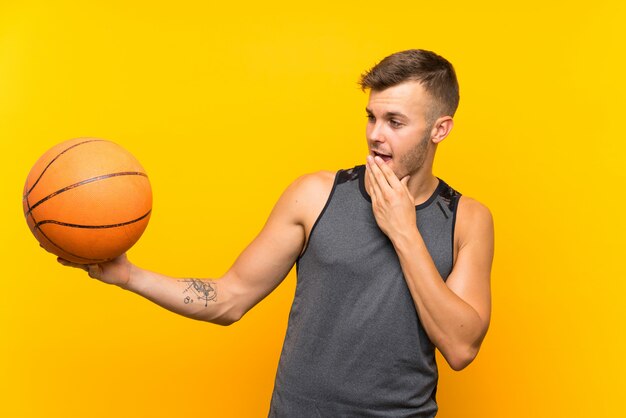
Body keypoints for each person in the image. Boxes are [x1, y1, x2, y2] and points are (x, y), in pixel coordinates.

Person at [59, 49, 494, 417]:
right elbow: (228, 298)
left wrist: (404, 233)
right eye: (371, 118)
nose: (375, 136)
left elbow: (460, 348)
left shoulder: (467, 220)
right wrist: (129, 276)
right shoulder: (315, 195)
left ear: (440, 129)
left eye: (395, 122)